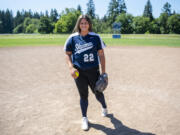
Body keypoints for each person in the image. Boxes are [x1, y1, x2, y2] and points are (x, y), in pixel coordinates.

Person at [64, 14, 108, 131]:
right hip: (79, 72)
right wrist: (71, 68)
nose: (84, 25)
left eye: (86, 23)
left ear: (89, 24)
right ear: (79, 24)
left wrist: (103, 73)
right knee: (83, 96)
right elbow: (67, 54)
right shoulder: (72, 38)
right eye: (82, 23)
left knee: (98, 93)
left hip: (93, 71)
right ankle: (84, 118)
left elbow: (101, 54)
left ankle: (104, 107)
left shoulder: (95, 37)